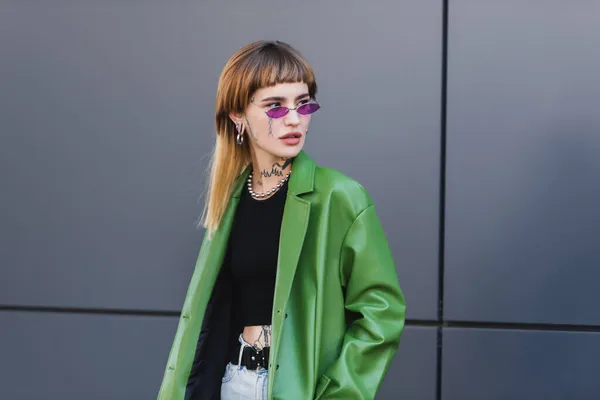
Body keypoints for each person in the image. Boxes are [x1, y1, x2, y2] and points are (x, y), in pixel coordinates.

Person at [157, 40, 406, 400]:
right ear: (237, 115)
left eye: (303, 104)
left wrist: (339, 394)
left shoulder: (339, 196)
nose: (294, 119)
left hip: (297, 391)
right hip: (233, 382)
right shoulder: (230, 202)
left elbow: (381, 313)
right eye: (275, 106)